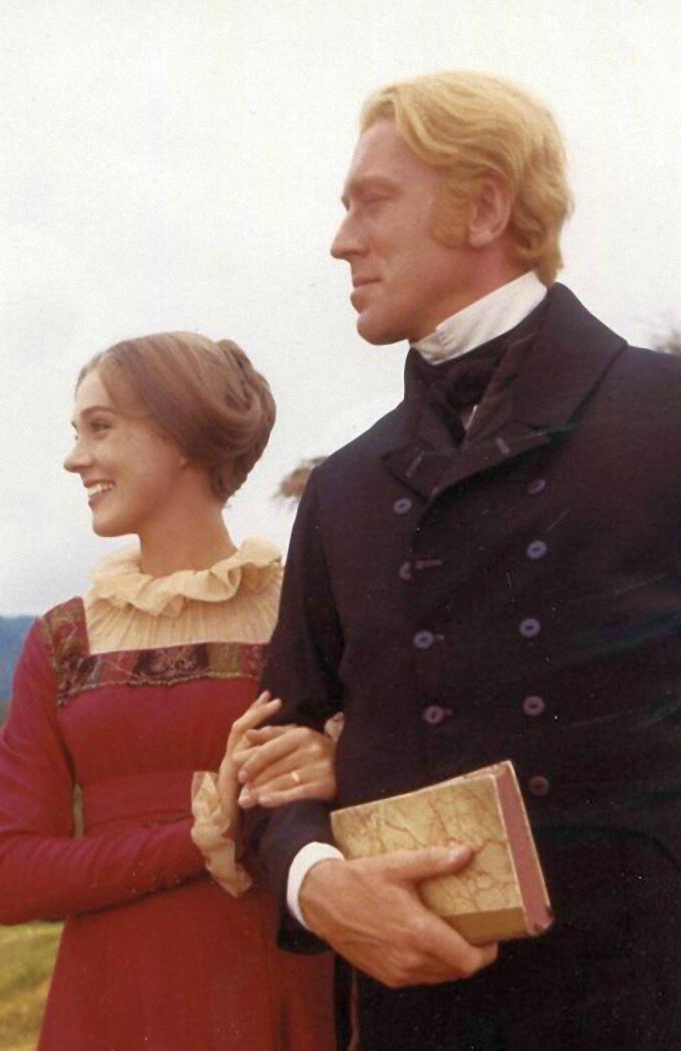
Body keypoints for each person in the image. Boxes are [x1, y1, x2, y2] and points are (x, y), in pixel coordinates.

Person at [244, 70, 681, 1049]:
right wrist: (318, 884)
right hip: (418, 1018)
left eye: (372, 200)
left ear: (484, 208)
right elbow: (268, 762)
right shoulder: (342, 488)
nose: (342, 240)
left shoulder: (668, 418)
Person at [0, 332, 337, 1050]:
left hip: (277, 987)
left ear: (178, 437)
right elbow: (9, 877)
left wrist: (340, 767)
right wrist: (195, 840)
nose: (75, 458)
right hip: (112, 1006)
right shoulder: (63, 640)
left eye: (100, 427)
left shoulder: (309, 612)